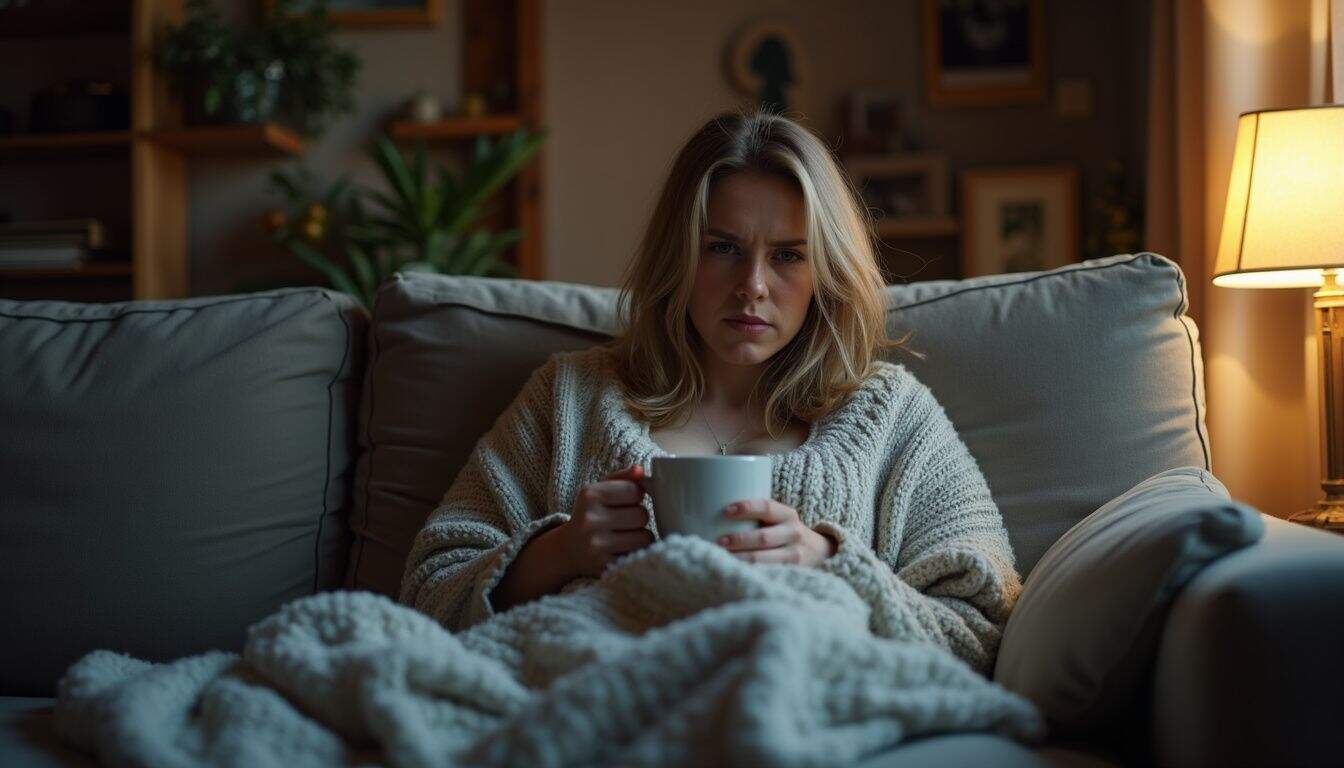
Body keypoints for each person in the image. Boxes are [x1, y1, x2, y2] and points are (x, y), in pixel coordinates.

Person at [400, 110, 1021, 673]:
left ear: (825, 271)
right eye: (722, 248)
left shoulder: (891, 415)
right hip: (603, 694)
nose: (752, 285)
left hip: (805, 696)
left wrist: (830, 563)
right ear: (678, 255)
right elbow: (429, 590)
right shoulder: (569, 397)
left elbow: (979, 626)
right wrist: (557, 553)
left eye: (787, 256)